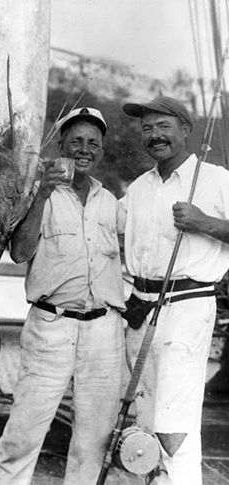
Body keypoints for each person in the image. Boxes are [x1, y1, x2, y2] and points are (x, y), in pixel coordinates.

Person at [0, 107, 128, 484]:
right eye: (76, 140)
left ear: (101, 150)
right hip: (52, 326)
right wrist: (43, 193)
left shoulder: (111, 202)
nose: (84, 149)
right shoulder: (36, 192)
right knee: (24, 433)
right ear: (61, 143)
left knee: (94, 440)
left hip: (103, 332)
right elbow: (19, 252)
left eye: (93, 143)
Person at [121, 96, 229, 485]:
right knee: (143, 426)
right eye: (147, 128)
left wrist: (205, 223)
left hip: (187, 307)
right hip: (141, 310)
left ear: (186, 130)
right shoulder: (138, 188)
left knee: (174, 429)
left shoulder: (216, 179)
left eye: (164, 126)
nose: (154, 135)